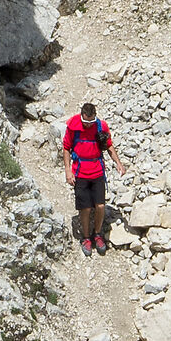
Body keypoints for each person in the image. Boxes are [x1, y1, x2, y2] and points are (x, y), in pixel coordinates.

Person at [62, 99, 116, 254]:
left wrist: (118, 163)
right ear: (81, 116)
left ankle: (97, 234)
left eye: (91, 122)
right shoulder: (73, 127)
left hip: (97, 171)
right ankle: (86, 238)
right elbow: (66, 148)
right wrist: (68, 171)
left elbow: (109, 146)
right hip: (80, 172)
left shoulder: (101, 126)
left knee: (100, 206)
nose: (87, 125)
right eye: (85, 121)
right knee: (85, 208)